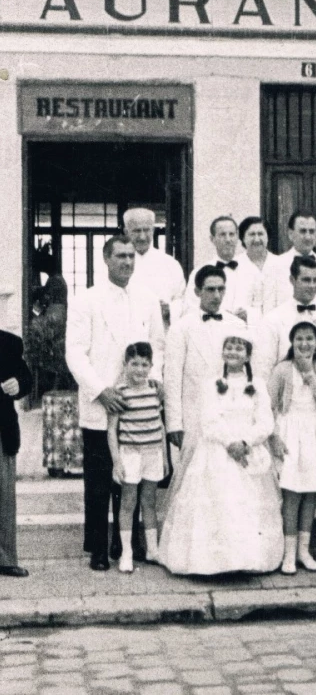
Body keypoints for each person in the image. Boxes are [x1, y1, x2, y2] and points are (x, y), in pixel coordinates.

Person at [66, 234, 165, 571]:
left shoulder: (148, 299)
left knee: (133, 478)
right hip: (100, 403)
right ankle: (96, 545)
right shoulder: (86, 301)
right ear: (106, 259)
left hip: (137, 404)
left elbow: (158, 346)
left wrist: (153, 382)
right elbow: (75, 352)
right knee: (98, 479)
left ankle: (127, 542)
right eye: (120, 256)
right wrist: (101, 391)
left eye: (131, 256)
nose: (126, 262)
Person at [159, 330, 283, 575]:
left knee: (245, 504)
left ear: (248, 355)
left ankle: (245, 560)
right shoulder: (211, 384)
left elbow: (265, 421)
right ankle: (215, 562)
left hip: (248, 450)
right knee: (218, 501)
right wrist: (230, 443)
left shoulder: (257, 385)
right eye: (229, 347)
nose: (233, 352)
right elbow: (208, 419)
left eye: (239, 348)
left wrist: (246, 442)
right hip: (217, 449)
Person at [268, 321, 316, 575]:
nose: (304, 344)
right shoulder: (282, 369)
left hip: (314, 431)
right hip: (289, 431)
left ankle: (304, 550)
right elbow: (270, 405)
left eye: (309, 338)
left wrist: (309, 374)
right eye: (299, 338)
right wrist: (274, 437)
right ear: (292, 341)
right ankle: (288, 554)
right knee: (292, 494)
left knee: (311, 493)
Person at [164, 266, 245, 492]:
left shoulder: (237, 326)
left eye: (221, 289)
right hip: (195, 419)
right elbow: (172, 379)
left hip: (231, 415)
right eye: (210, 290)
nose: (217, 296)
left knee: (231, 479)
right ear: (198, 291)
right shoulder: (181, 328)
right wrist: (174, 424)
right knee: (196, 482)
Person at [106, 342, 165, 573]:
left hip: (153, 453)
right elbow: (112, 429)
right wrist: (117, 461)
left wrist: (164, 455)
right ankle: (126, 552)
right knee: (128, 502)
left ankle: (153, 549)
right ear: (126, 364)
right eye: (134, 364)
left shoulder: (154, 390)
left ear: (151, 366)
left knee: (149, 501)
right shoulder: (119, 392)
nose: (139, 369)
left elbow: (158, 423)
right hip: (130, 453)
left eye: (144, 364)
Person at [255, 256, 316, 381]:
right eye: (306, 280)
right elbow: (263, 369)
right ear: (292, 280)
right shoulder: (272, 320)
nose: (312, 286)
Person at [0, 329, 32, 577]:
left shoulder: (9, 343)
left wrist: (18, 384)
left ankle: (5, 559)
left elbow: (25, 377)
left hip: (2, 432)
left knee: (4, 497)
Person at [265, 210, 316, 315]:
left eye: (311, 231)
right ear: (291, 234)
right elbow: (268, 310)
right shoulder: (274, 266)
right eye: (303, 231)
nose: (308, 237)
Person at [184, 216, 256, 323]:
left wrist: (249, 314)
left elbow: (262, 306)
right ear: (212, 239)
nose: (228, 240)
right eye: (222, 234)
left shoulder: (252, 271)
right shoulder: (198, 272)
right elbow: (190, 307)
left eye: (231, 234)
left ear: (237, 237)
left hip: (244, 332)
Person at [123, 207, 186, 327]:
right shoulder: (118, 263)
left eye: (146, 230)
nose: (142, 237)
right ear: (126, 232)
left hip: (162, 330)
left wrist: (169, 310)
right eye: (136, 231)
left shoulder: (170, 264)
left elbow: (182, 300)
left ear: (153, 230)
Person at [237, 216, 281, 316]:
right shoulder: (235, 266)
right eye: (252, 234)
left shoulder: (281, 264)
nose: (256, 239)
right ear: (243, 238)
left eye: (260, 234)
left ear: (268, 237)